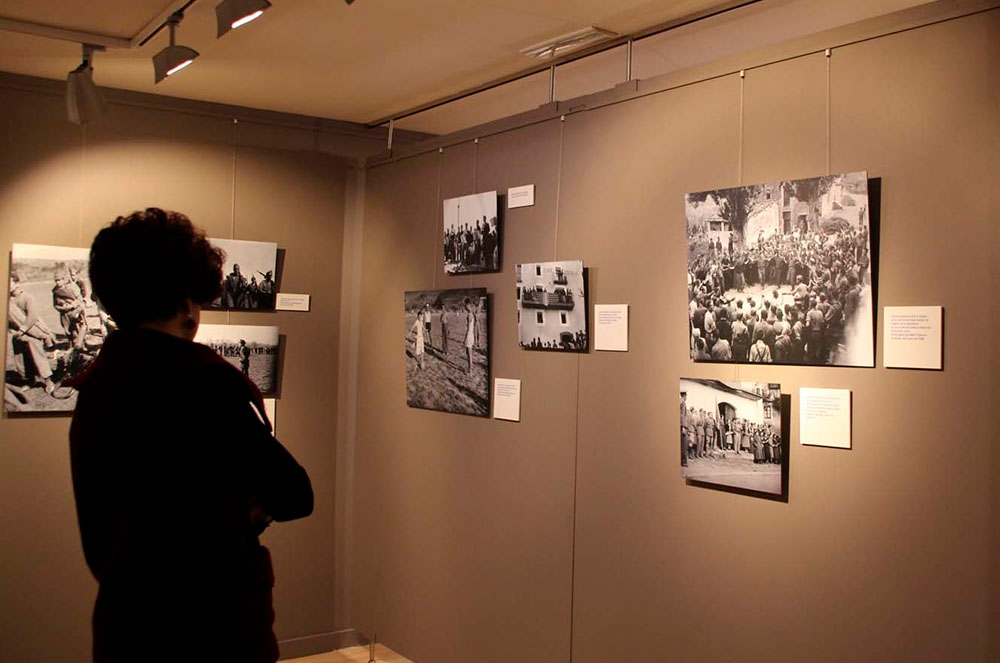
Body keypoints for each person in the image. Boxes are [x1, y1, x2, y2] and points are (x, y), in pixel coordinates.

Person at [68, 208, 313, 663]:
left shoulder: (96, 385)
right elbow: (295, 494)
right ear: (186, 302)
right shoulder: (206, 383)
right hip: (211, 628)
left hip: (126, 625)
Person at [7, 274, 59, 400]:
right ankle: (29, 380)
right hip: (16, 334)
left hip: (31, 332)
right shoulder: (7, 300)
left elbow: (33, 316)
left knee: (38, 357)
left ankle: (48, 381)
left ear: (17, 283)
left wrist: (23, 329)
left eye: (9, 282)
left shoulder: (27, 297)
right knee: (21, 358)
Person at [463, 298, 477, 374]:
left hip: (469, 335)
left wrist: (465, 338)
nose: (464, 307)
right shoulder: (472, 314)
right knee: (468, 352)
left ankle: (470, 369)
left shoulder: (469, 315)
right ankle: (470, 368)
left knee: (469, 353)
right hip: (471, 334)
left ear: (467, 305)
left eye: (465, 305)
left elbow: (468, 328)